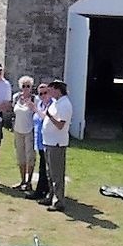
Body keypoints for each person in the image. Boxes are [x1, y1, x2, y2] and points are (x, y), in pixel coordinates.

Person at [40, 78, 73, 211]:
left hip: (57, 143)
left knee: (57, 174)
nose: (50, 92)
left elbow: (60, 125)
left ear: (58, 89)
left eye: (52, 89)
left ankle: (59, 201)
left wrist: (50, 116)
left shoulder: (65, 104)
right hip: (49, 142)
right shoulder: (56, 103)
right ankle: (51, 196)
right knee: (50, 173)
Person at [10, 75, 39, 191]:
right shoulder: (16, 97)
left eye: (28, 86)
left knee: (30, 156)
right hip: (18, 130)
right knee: (20, 156)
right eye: (24, 86)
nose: (26, 88)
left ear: (31, 87)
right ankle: (22, 180)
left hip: (30, 131)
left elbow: (37, 113)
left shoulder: (34, 99)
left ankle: (29, 182)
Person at [27, 81, 53, 202]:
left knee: (46, 167)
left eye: (45, 93)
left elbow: (46, 118)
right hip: (40, 141)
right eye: (40, 94)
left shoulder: (51, 105)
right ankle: (42, 190)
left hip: (48, 141)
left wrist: (35, 109)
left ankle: (43, 191)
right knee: (42, 166)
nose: (43, 96)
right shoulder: (41, 104)